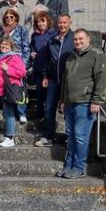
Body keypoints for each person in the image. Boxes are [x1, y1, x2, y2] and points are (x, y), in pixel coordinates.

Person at [58, 29, 106, 178]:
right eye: (75, 39)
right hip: (69, 102)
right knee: (71, 136)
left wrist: (97, 100)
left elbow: (101, 79)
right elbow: (65, 81)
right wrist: (62, 100)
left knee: (80, 136)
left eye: (81, 39)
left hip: (85, 102)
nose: (78, 42)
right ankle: (68, 166)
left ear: (88, 40)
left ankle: (79, 167)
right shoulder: (71, 56)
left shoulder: (96, 55)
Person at [38, 14, 75, 147]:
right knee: (49, 108)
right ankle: (48, 136)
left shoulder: (74, 39)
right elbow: (47, 60)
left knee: (67, 109)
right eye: (60, 23)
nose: (62, 25)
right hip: (53, 79)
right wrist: (45, 76)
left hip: (68, 80)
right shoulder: (52, 39)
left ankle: (69, 137)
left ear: (70, 23)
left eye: (65, 22)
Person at [0, 8, 30, 123]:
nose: (9, 19)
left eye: (12, 17)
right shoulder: (1, 31)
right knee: (6, 88)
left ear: (16, 17)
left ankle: (22, 113)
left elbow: (26, 48)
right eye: (7, 17)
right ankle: (8, 113)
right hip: (4, 62)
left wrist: (23, 64)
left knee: (20, 88)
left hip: (18, 62)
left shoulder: (22, 30)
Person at [28, 8, 56, 126]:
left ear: (47, 22)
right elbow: (31, 47)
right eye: (39, 22)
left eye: (43, 21)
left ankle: (49, 117)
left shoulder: (53, 34)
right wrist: (31, 53)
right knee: (39, 93)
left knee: (49, 95)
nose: (41, 24)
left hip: (49, 69)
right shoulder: (34, 35)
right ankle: (39, 116)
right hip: (39, 68)